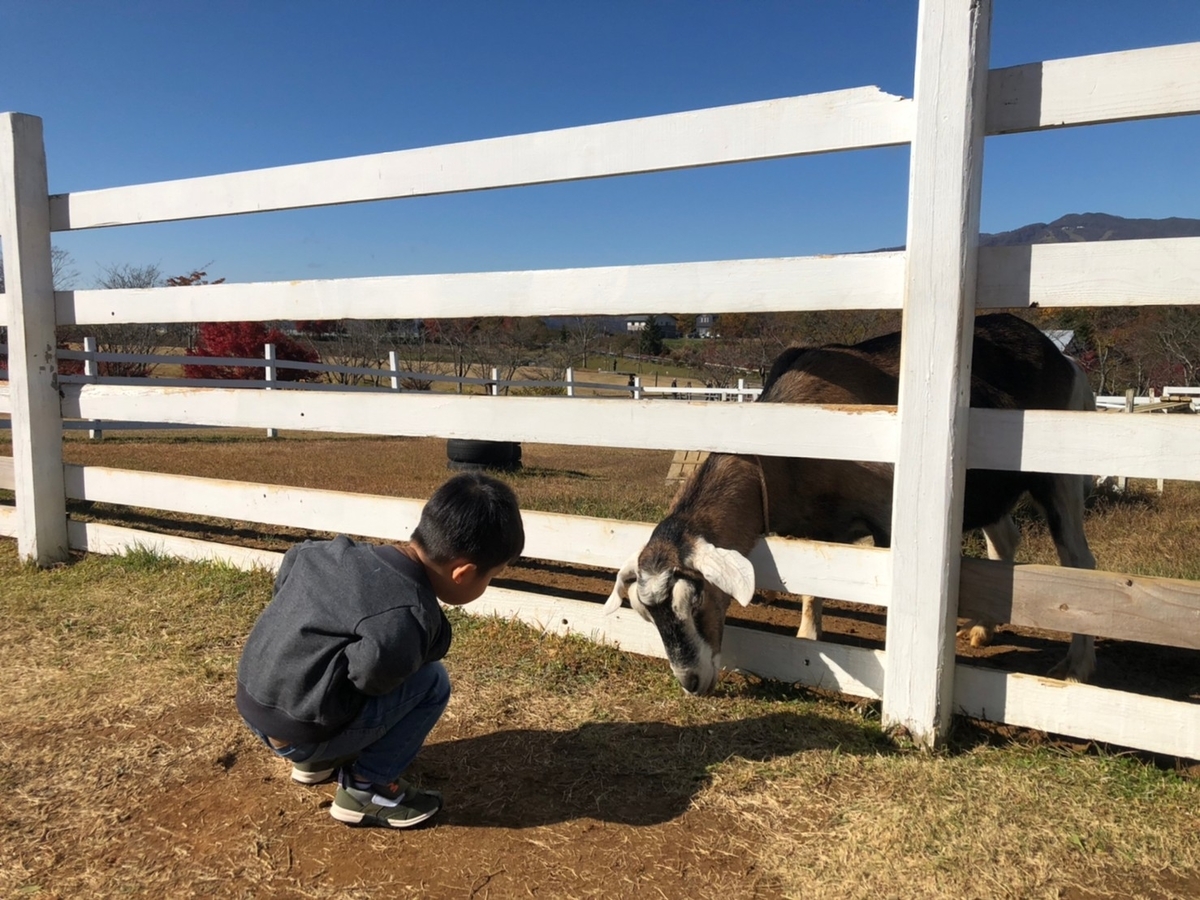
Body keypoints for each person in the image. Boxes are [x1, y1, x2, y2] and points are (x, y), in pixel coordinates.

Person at [235, 472, 525, 829]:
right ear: (462, 573)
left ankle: (313, 762)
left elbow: (293, 562)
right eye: (491, 576)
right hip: (301, 733)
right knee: (432, 682)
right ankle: (366, 789)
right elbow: (372, 678)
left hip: (253, 708)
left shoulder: (329, 552)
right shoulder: (409, 614)